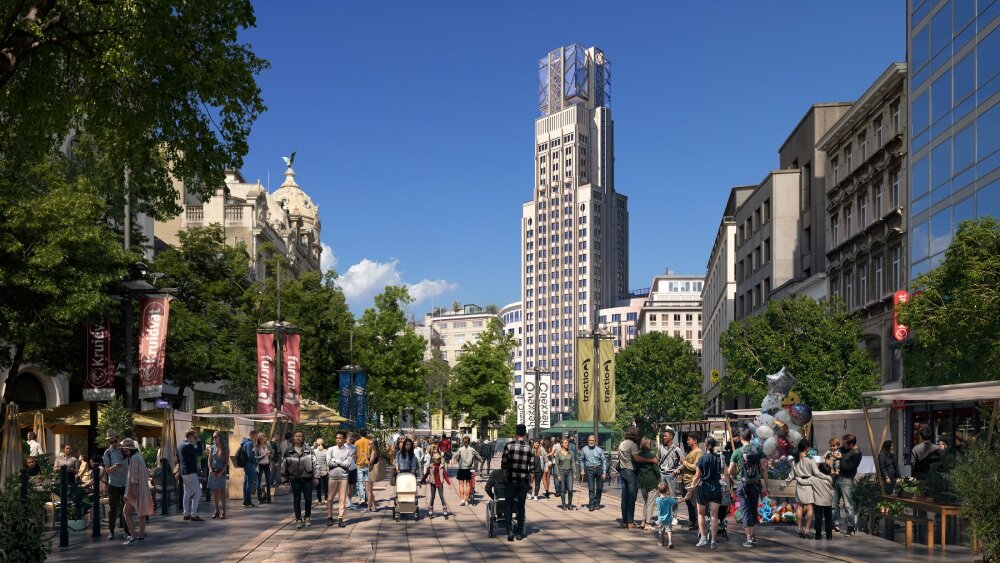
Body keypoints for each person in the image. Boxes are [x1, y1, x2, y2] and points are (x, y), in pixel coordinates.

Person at [728, 429, 767, 548]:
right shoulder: (758, 450)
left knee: (745, 511)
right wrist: (767, 484)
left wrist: (733, 475)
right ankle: (753, 535)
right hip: (755, 484)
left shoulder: (737, 452)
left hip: (742, 485)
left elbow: (730, 471)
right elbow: (764, 468)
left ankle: (749, 539)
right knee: (753, 509)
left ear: (740, 438)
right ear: (751, 438)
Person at [500, 424, 535, 541]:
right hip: (523, 481)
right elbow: (532, 468)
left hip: (511, 480)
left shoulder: (508, 446)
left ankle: (509, 530)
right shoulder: (530, 448)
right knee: (521, 505)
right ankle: (520, 531)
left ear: (516, 433)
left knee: (508, 504)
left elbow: (504, 464)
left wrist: (505, 476)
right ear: (524, 434)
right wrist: (530, 482)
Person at [689, 436, 724, 549]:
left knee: (701, 513)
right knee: (714, 516)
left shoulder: (702, 459)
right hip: (716, 487)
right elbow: (726, 473)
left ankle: (703, 537)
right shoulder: (720, 458)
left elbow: (697, 475)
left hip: (704, 487)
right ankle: (713, 541)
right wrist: (727, 487)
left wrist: (691, 486)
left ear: (705, 445)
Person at [281, 430, 318, 529]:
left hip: (307, 478)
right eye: (296, 436)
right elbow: (283, 465)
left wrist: (316, 476)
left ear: (303, 437)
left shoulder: (309, 450)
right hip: (295, 479)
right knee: (296, 499)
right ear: (294, 437)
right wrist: (284, 479)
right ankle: (298, 519)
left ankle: (307, 517)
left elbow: (315, 464)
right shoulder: (288, 451)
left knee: (308, 499)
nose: (298, 438)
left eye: (300, 436)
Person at [121, 438, 153, 546]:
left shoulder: (134, 458)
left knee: (126, 512)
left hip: (136, 490)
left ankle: (134, 536)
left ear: (129, 449)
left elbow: (134, 476)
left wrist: (131, 492)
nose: (124, 452)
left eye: (125, 450)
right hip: (142, 488)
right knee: (141, 514)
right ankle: (141, 536)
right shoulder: (139, 457)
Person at [790, 439, 822, 538]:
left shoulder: (794, 460)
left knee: (799, 507)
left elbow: (792, 474)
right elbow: (816, 473)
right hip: (809, 485)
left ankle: (799, 528)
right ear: (806, 447)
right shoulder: (810, 459)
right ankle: (807, 530)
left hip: (799, 484)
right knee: (809, 507)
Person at [102, 431, 130, 540]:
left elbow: (131, 461)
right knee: (113, 508)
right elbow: (107, 470)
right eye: (111, 441)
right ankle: (111, 531)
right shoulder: (107, 453)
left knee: (125, 508)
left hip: (125, 482)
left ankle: (127, 531)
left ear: (118, 439)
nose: (113, 443)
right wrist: (115, 467)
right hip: (113, 483)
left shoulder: (124, 450)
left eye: (115, 441)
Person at [832, 434, 861, 535]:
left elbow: (849, 468)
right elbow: (834, 453)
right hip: (836, 478)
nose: (843, 446)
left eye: (845, 444)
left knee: (848, 505)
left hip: (846, 480)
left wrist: (841, 457)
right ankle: (835, 525)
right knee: (833, 503)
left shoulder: (856, 453)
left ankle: (851, 526)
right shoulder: (842, 449)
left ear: (852, 444)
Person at [326, 430, 353, 527]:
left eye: (340, 438)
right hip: (332, 476)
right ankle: (329, 517)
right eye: (337, 438)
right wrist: (340, 463)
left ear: (344, 439)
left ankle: (340, 518)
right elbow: (329, 462)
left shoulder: (348, 451)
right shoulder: (331, 449)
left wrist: (336, 461)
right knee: (330, 498)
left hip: (344, 477)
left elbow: (347, 464)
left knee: (342, 498)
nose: (338, 440)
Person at [680, 432, 704, 531]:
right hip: (686, 481)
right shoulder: (690, 451)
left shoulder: (698, 452)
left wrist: (684, 462)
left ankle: (698, 523)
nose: (687, 441)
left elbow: (696, 466)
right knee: (689, 502)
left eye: (689, 439)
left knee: (694, 503)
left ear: (695, 441)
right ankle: (692, 520)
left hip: (692, 481)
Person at [179, 429, 204, 521]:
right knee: (198, 493)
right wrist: (199, 441)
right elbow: (200, 452)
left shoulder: (180, 446)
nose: (194, 438)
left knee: (187, 492)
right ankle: (193, 514)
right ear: (190, 436)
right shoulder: (188, 446)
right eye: (194, 436)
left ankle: (186, 513)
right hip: (190, 472)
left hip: (183, 473)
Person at [578, 434, 607, 511]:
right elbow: (581, 460)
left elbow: (604, 461)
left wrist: (604, 472)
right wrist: (582, 470)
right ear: (588, 441)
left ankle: (597, 503)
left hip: (599, 469)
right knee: (591, 488)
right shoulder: (584, 449)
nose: (591, 442)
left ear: (595, 441)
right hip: (589, 469)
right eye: (590, 440)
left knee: (599, 488)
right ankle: (591, 505)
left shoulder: (599, 450)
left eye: (592, 440)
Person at [637, 436, 661, 530]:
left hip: (642, 481)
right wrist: (660, 479)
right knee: (650, 503)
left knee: (646, 502)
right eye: (650, 443)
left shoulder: (639, 455)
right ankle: (647, 523)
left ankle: (643, 521)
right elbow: (656, 469)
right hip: (651, 481)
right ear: (648, 444)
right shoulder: (652, 455)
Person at [454, 435, 482, 506]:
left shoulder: (460, 449)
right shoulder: (472, 449)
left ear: (463, 442)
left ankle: (462, 499)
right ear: (469, 442)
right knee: (468, 485)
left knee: (461, 485)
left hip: (461, 469)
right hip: (469, 469)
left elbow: (455, 456)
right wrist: (481, 460)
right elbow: (478, 456)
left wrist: (456, 460)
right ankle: (466, 500)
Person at [421, 452, 451, 519]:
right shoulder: (430, 467)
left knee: (441, 496)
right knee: (432, 497)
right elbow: (426, 475)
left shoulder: (441, 467)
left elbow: (445, 476)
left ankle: (445, 510)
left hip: (439, 483)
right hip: (432, 483)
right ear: (434, 459)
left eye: (439, 459)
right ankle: (431, 510)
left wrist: (449, 483)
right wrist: (421, 481)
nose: (439, 460)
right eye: (437, 459)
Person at [207, 432, 228, 519]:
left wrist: (221, 472)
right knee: (215, 492)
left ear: (220, 437)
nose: (214, 439)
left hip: (221, 472)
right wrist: (211, 470)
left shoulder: (225, 448)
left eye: (215, 437)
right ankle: (216, 511)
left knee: (222, 492)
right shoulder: (212, 448)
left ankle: (223, 511)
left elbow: (226, 462)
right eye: (213, 437)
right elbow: (209, 460)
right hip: (213, 471)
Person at [354, 429, 376, 511]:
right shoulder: (369, 442)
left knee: (360, 483)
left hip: (360, 464)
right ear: (366, 434)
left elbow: (355, 454)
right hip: (367, 466)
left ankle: (362, 499)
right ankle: (372, 505)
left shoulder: (357, 442)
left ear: (360, 434)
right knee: (369, 488)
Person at [554, 437, 578, 510]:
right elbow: (556, 465)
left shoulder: (571, 453)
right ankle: (564, 504)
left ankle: (569, 504)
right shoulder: (558, 453)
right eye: (565, 443)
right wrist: (558, 475)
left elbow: (573, 463)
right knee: (562, 489)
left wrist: (574, 473)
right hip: (562, 472)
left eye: (567, 443)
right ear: (561, 444)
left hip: (569, 472)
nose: (567, 444)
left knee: (570, 489)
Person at [813, 462, 835, 540]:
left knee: (818, 518)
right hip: (828, 502)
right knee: (828, 519)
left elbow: (804, 481)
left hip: (818, 502)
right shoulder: (829, 479)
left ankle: (818, 535)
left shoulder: (814, 479)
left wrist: (798, 478)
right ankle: (829, 536)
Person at [658, 427, 682, 498]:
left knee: (673, 497)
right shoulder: (661, 448)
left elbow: (683, 462)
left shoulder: (676, 449)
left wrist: (677, 470)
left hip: (671, 475)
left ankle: (673, 510)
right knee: (662, 497)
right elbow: (657, 460)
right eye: (663, 436)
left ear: (671, 437)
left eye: (665, 436)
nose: (664, 437)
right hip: (662, 475)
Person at [656, 481, 678, 548]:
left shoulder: (657, 500)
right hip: (668, 518)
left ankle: (661, 542)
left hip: (660, 519)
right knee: (669, 530)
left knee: (661, 530)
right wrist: (685, 498)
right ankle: (670, 541)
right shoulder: (669, 500)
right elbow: (677, 502)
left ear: (659, 491)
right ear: (667, 490)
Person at [240, 429, 258, 508]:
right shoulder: (249, 443)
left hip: (246, 465)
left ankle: (246, 501)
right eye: (256, 435)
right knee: (249, 483)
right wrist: (255, 461)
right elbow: (250, 455)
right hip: (249, 465)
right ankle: (248, 502)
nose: (256, 437)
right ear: (252, 434)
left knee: (246, 483)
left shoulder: (244, 443)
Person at [255, 434, 272, 504]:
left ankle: (268, 498)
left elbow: (271, 453)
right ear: (258, 439)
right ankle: (259, 499)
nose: (262, 440)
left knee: (268, 482)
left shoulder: (268, 445)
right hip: (260, 465)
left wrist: (270, 456)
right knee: (259, 482)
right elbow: (256, 457)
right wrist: (264, 455)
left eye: (263, 438)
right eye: (260, 439)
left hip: (267, 465)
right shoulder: (257, 447)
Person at [313, 438, 328, 505]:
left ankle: (319, 501)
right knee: (325, 486)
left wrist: (313, 446)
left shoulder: (314, 451)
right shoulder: (325, 451)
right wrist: (328, 471)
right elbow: (327, 462)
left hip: (317, 471)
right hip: (324, 471)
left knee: (318, 487)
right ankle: (326, 499)